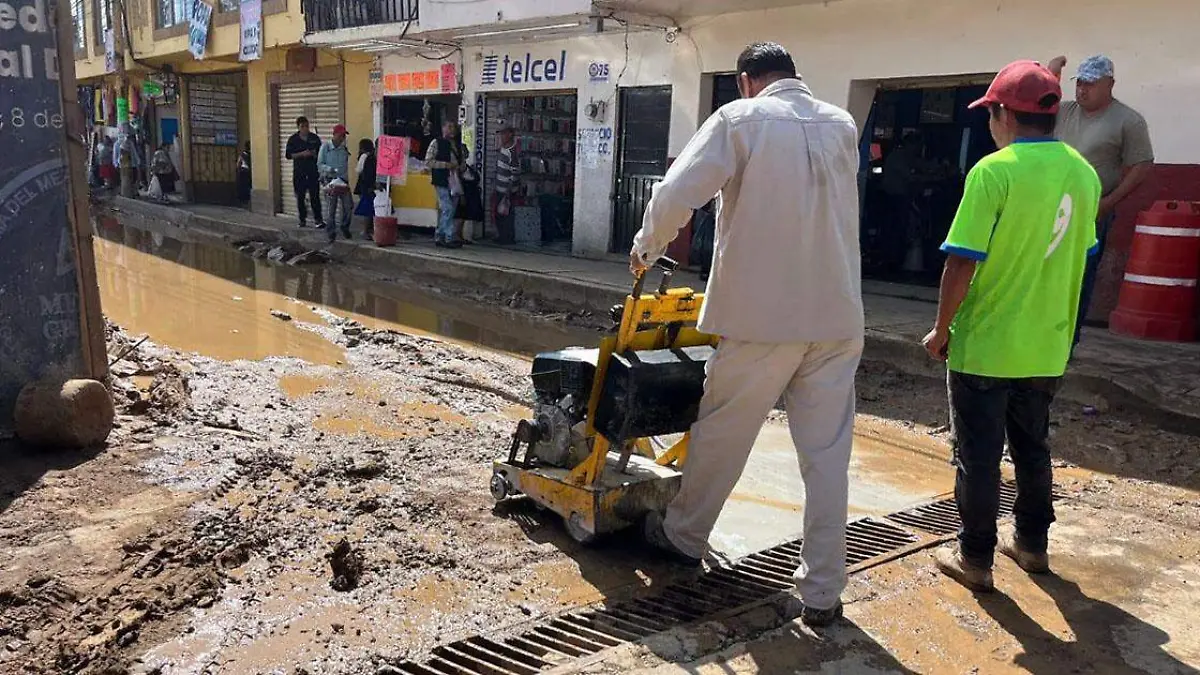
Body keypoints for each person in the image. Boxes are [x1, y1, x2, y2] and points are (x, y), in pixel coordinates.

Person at [629, 42, 864, 628]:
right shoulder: (841, 124)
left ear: (745, 81)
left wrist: (645, 249)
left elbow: (676, 192)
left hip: (762, 319)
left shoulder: (741, 119)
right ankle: (823, 592)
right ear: (794, 75)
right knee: (829, 457)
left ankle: (683, 536)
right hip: (837, 317)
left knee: (723, 434)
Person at [921, 61, 1101, 592]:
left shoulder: (993, 171)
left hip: (987, 344)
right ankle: (1032, 546)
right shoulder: (1084, 173)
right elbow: (1081, 251)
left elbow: (961, 261)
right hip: (1047, 345)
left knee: (978, 457)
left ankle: (975, 561)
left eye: (990, 113)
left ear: (1002, 113)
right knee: (1033, 448)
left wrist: (940, 328)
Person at [1047, 55, 1154, 347]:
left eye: (1091, 84)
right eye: (1080, 83)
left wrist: (1109, 202)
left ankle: (1066, 341)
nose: (1083, 90)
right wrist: (1052, 72)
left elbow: (1141, 166)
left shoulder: (1128, 120)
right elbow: (1037, 105)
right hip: (1049, 208)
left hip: (1091, 212)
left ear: (1110, 84)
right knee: (1043, 271)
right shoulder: (1064, 112)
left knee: (1078, 277)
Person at [426, 121, 465, 248]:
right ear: (443, 128)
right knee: (447, 208)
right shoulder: (436, 143)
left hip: (455, 180)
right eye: (449, 126)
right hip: (442, 179)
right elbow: (429, 162)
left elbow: (463, 162)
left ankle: (440, 235)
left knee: (450, 209)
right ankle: (448, 237)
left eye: (453, 127)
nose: (452, 129)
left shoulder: (458, 145)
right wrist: (445, 165)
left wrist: (460, 167)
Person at [285, 116, 325, 229]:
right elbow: (288, 155)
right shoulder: (293, 139)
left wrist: (313, 154)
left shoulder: (314, 138)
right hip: (299, 172)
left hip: (312, 172)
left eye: (307, 126)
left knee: (315, 196)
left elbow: (321, 154)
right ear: (298, 127)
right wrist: (302, 154)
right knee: (300, 197)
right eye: (302, 126)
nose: (305, 129)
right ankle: (302, 220)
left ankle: (318, 220)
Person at [318, 123, 354, 243]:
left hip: (343, 181)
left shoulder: (344, 149)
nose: (343, 138)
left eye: (344, 136)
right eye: (341, 135)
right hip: (329, 179)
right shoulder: (325, 147)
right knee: (331, 208)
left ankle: (345, 226)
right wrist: (330, 169)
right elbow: (320, 164)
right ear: (334, 135)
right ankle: (331, 232)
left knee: (348, 206)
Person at [493, 126, 519, 245]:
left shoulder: (512, 152)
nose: (502, 137)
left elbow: (515, 174)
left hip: (507, 190)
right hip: (499, 187)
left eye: (504, 134)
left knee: (506, 214)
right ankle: (502, 235)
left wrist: (508, 191)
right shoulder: (502, 149)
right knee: (499, 213)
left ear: (510, 134)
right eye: (501, 134)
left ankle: (507, 238)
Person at [353, 138, 378, 240]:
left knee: (369, 209)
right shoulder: (369, 157)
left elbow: (359, 170)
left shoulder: (365, 156)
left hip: (366, 186)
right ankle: (367, 230)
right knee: (368, 209)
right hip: (367, 186)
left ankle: (368, 230)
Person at [456, 159, 485, 243]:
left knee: (469, 215)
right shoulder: (457, 173)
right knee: (461, 216)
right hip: (464, 194)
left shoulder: (471, 170)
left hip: (472, 195)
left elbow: (476, 179)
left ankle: (465, 236)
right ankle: (459, 235)